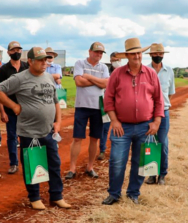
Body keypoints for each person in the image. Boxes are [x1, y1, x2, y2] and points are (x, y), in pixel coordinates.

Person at [0, 47, 69, 210]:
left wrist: (58, 122)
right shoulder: (19, 78)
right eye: (40, 60)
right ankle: (34, 197)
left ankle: (57, 196)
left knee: (54, 163)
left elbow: (55, 101)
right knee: (32, 163)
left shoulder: (49, 77)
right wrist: (13, 106)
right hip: (29, 131)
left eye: (45, 59)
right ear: (31, 61)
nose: (44, 62)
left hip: (49, 130)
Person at [102, 38, 163, 205]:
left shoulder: (151, 74)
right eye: (133, 53)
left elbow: (159, 100)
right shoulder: (117, 74)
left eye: (139, 52)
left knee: (140, 161)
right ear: (127, 55)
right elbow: (108, 99)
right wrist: (114, 121)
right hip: (121, 126)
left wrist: (156, 122)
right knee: (116, 160)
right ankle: (114, 193)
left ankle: (133, 193)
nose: (137, 56)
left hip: (145, 126)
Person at [66, 42, 110, 180]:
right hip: (82, 105)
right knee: (77, 138)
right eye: (96, 52)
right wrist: (99, 81)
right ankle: (72, 168)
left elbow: (106, 84)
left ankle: (90, 167)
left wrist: (89, 77)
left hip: (98, 107)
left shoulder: (103, 67)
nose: (99, 55)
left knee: (95, 138)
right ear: (90, 51)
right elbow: (79, 82)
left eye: (101, 53)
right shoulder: (80, 63)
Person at [145, 43, 175, 185]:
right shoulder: (144, 70)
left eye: (160, 54)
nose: (158, 56)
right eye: (155, 54)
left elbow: (170, 93)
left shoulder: (169, 71)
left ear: (163, 55)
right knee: (149, 143)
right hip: (147, 113)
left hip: (164, 113)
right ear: (151, 55)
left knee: (162, 143)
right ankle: (151, 173)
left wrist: (163, 105)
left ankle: (162, 174)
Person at [0, 41, 29, 174]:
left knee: (27, 137)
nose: (16, 52)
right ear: (8, 52)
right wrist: (2, 111)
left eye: (18, 50)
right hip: (10, 109)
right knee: (12, 137)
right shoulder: (4, 70)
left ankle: (28, 162)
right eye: (13, 50)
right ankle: (13, 163)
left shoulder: (27, 66)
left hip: (26, 109)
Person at [99, 51, 124, 160]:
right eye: (114, 60)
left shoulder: (125, 72)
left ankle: (117, 151)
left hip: (121, 105)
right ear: (110, 61)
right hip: (106, 104)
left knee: (119, 128)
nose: (116, 62)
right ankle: (102, 150)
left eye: (118, 60)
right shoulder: (106, 72)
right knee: (104, 129)